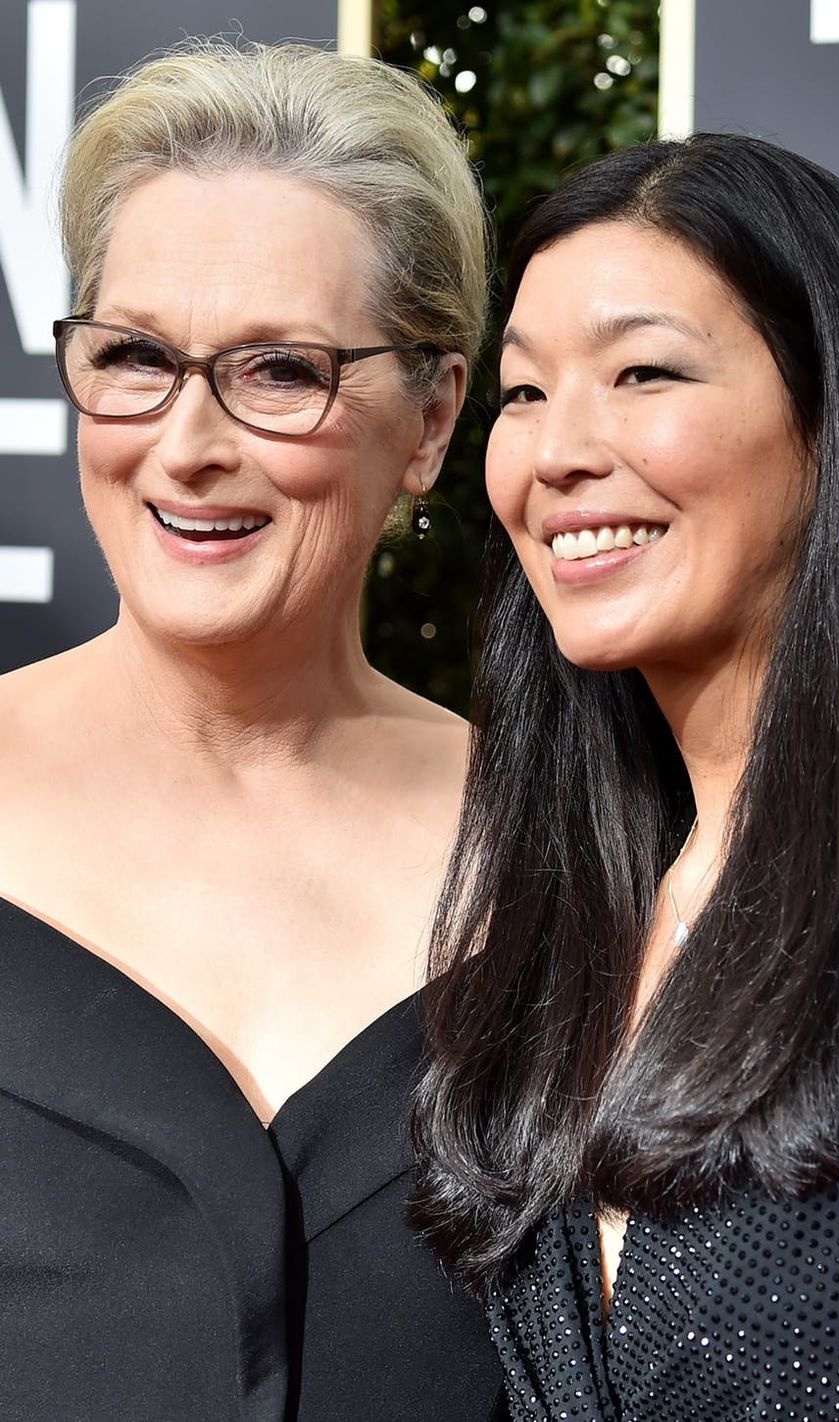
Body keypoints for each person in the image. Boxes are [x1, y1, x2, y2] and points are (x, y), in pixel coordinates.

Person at [412, 135, 839, 1420]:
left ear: (832, 422)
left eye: (642, 373)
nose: (557, 452)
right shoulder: (567, 921)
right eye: (522, 392)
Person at [0, 38, 505, 1422]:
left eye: (280, 370)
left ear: (431, 417)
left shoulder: (581, 857)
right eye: (136, 357)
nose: (187, 444)